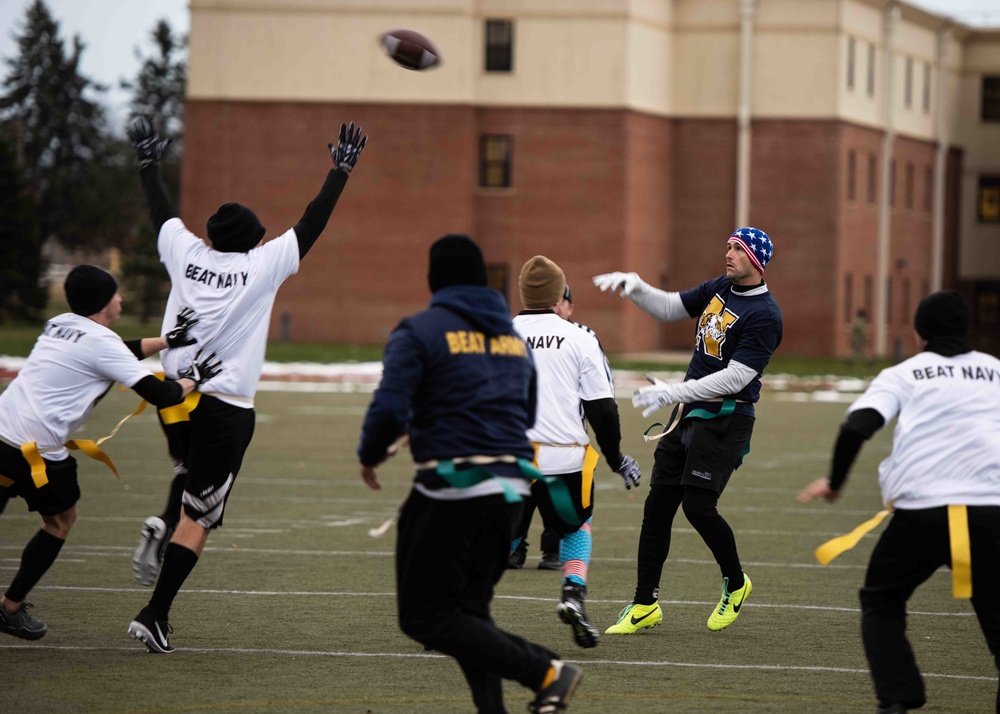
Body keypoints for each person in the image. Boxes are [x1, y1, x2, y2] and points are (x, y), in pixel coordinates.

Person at [123, 115, 367, 653]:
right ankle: (156, 611)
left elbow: (161, 213)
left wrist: (148, 164)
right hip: (225, 406)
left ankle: (163, 522)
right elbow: (311, 223)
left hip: (172, 399)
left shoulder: (186, 254)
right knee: (201, 517)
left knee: (188, 475)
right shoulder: (261, 266)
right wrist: (340, 172)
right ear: (253, 240)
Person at [357, 235, 582, 714]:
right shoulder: (510, 339)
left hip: (453, 490)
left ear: (432, 280)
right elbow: (523, 413)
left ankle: (545, 670)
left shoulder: (419, 330)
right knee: (470, 616)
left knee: (424, 618)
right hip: (510, 494)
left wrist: (371, 453)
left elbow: (390, 406)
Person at [798, 290, 1000, 714]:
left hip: (921, 513)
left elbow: (857, 426)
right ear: (968, 328)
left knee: (882, 600)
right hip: (989, 515)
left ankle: (898, 698)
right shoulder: (996, 371)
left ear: (918, 331)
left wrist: (835, 483)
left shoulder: (904, 374)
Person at [0, 265, 218, 640]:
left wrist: (165, 341)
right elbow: (163, 395)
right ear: (104, 302)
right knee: (60, 521)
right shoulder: (102, 344)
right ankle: (9, 608)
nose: (120, 299)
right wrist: (193, 378)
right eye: (116, 294)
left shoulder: (58, 323)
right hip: (36, 453)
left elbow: (113, 352)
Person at [593, 226, 782, 635]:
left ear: (756, 259)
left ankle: (736, 582)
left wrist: (673, 391)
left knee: (698, 507)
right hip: (689, 410)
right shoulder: (720, 287)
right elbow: (670, 308)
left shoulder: (765, 315)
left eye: (737, 249)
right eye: (728, 246)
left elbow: (735, 379)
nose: (727, 253)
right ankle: (645, 604)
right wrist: (636, 287)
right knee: (657, 508)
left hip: (727, 418)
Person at [513, 258, 640, 648]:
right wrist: (616, 457)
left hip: (509, 456)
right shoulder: (580, 338)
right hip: (563, 458)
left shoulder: (494, 335)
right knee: (575, 528)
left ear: (522, 293)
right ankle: (573, 595)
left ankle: (454, 608)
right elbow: (603, 409)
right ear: (559, 294)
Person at [508, 282, 573, 573]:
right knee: (522, 493)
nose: (557, 306)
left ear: (569, 307)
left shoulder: (579, 337)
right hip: (523, 432)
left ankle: (553, 547)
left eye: (562, 301)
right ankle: (514, 546)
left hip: (559, 434)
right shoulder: (514, 331)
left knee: (554, 495)